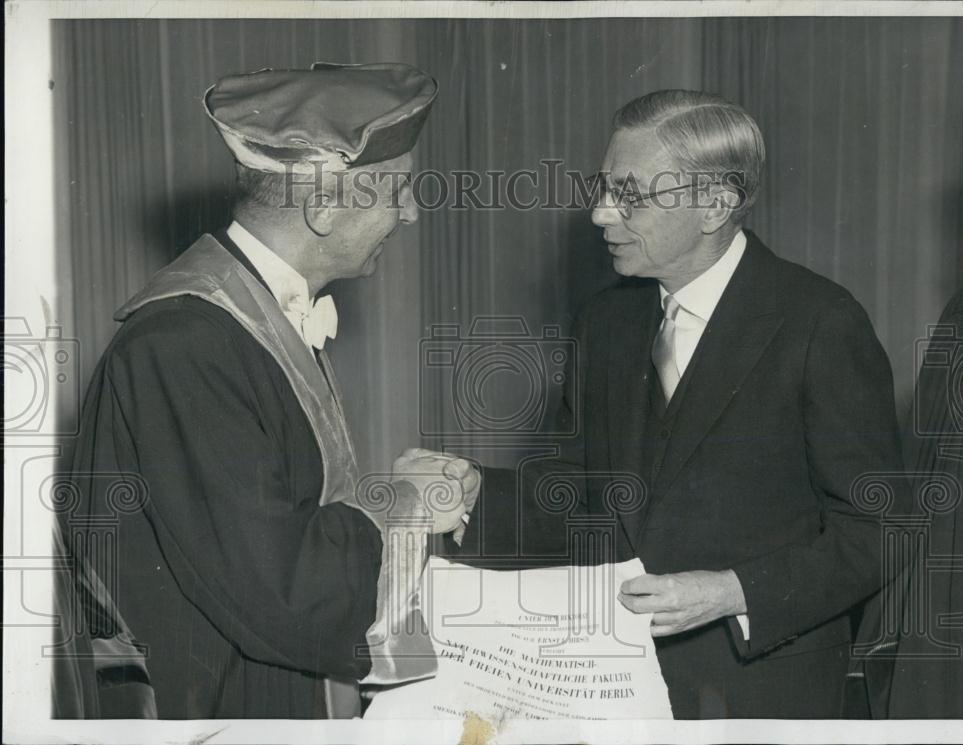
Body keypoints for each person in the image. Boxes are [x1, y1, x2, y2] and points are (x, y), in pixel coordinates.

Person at [454, 89, 907, 718]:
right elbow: (574, 497)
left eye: (629, 195)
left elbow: (880, 530)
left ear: (715, 204)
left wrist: (732, 592)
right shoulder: (605, 322)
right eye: (603, 188)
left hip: (766, 698)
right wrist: (477, 493)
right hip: (615, 690)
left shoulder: (819, 322)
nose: (599, 215)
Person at [59, 62, 478, 719]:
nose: (412, 212)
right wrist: (405, 504)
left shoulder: (252, 312)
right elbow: (281, 586)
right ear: (324, 204)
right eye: (397, 190)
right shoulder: (185, 341)